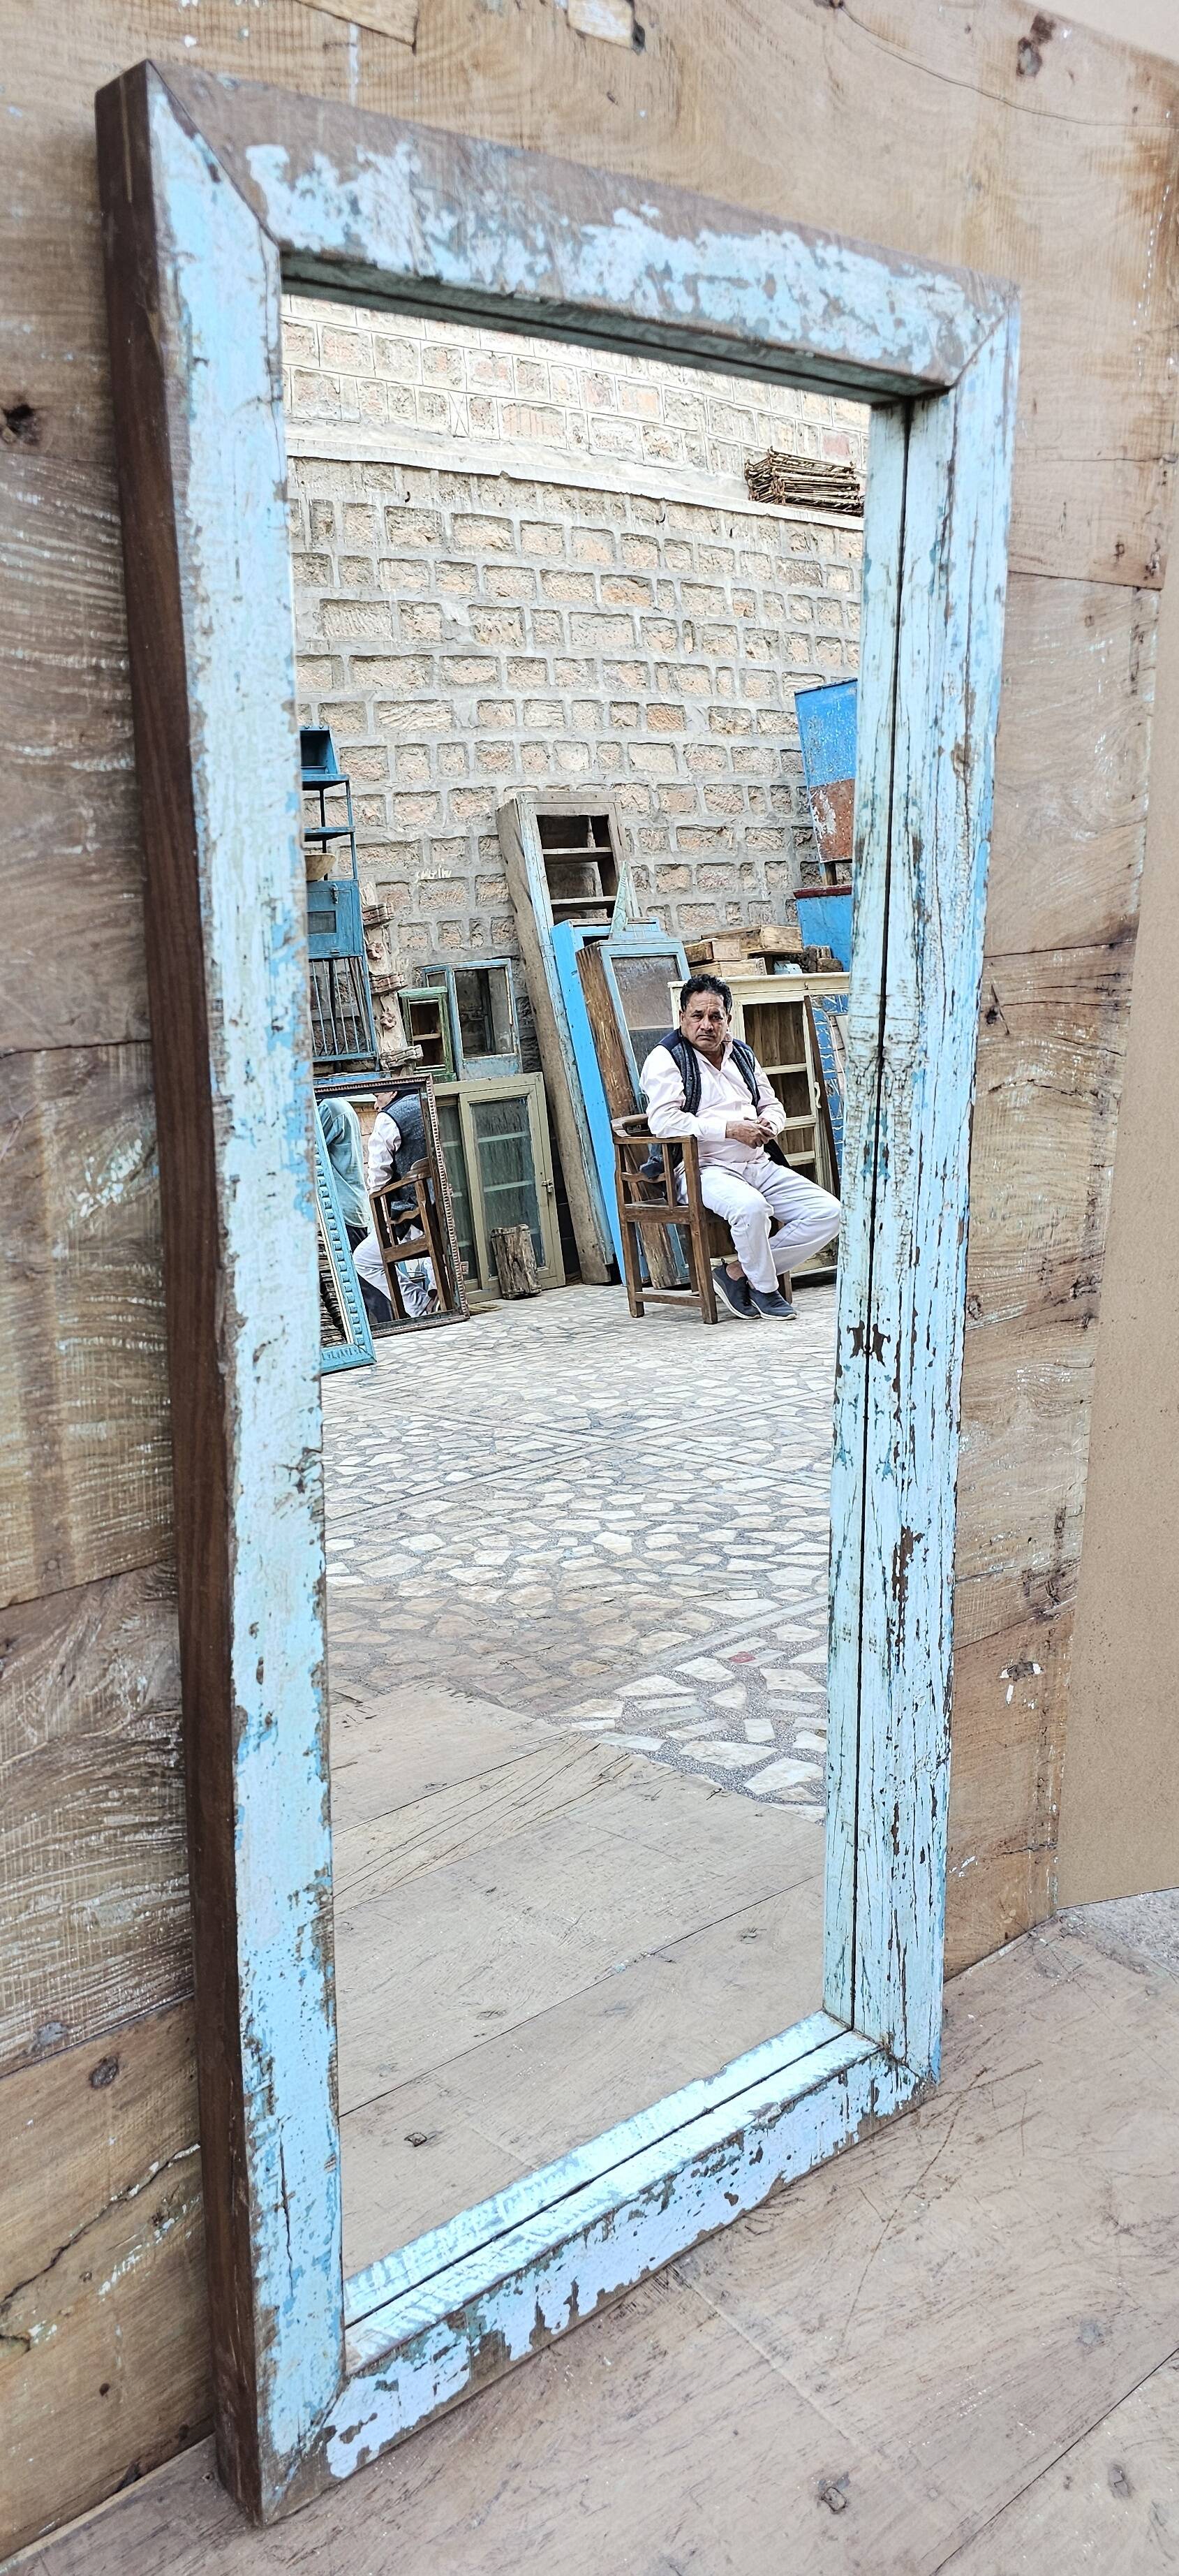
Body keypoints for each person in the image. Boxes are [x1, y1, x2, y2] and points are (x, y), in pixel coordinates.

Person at [640, 972, 841, 1320]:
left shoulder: (742, 1054)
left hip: (757, 1162)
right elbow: (664, 1121)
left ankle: (735, 1273)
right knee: (751, 1208)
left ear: (728, 1019)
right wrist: (729, 1130)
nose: (707, 1025)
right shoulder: (666, 1058)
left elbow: (772, 1104)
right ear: (682, 1018)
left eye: (715, 1016)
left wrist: (770, 1125)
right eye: (698, 1016)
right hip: (701, 1169)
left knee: (830, 1213)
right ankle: (765, 1290)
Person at [318, 1095, 392, 1325]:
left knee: (366, 1284)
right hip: (352, 1204)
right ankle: (385, 1328)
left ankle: (388, 1329)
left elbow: (306, 1150)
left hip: (344, 1207)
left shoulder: (330, 1107)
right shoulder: (341, 1105)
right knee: (365, 1284)